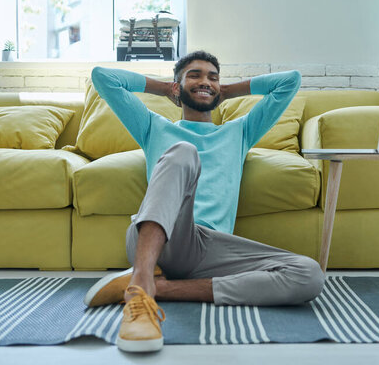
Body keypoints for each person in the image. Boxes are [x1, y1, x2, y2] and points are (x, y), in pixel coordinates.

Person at [85, 51, 325, 353]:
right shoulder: (152, 126)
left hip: (209, 251)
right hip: (154, 239)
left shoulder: (240, 131)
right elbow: (103, 77)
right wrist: (166, 88)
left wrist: (224, 92)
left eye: (213, 76)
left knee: (309, 275)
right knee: (183, 151)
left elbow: (290, 81)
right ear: (178, 85)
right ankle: (141, 289)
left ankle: (161, 288)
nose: (205, 81)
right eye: (195, 75)